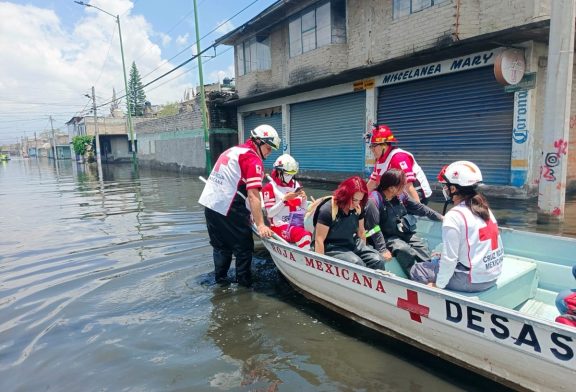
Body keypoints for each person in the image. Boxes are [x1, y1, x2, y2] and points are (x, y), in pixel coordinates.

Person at [199, 124, 278, 287]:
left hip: (210, 203)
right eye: (268, 148)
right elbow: (253, 195)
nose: (269, 153)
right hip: (229, 206)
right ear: (258, 141)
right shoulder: (252, 158)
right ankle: (244, 287)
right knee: (244, 249)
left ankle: (220, 282)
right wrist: (261, 224)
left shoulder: (234, 151)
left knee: (221, 247)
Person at [410, 161, 504, 292]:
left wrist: (438, 285)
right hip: (492, 276)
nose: (444, 189)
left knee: (418, 269)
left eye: (445, 186)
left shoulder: (454, 216)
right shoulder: (483, 208)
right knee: (438, 258)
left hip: (471, 280)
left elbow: (450, 259)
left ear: (453, 189)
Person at [364, 169, 442, 275]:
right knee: (404, 249)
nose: (405, 187)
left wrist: (441, 217)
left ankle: (432, 272)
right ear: (391, 188)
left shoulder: (401, 195)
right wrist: (382, 249)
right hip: (385, 237)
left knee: (420, 245)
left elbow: (420, 208)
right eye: (403, 185)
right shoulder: (373, 201)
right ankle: (415, 276)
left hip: (401, 232)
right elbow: (374, 228)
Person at [314, 176, 383, 269]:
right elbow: (319, 240)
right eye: (354, 200)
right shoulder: (327, 209)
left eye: (360, 200)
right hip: (332, 246)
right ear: (345, 195)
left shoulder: (358, 207)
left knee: (377, 259)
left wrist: (364, 249)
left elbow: (361, 232)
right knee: (357, 263)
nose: (356, 203)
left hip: (352, 242)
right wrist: (320, 266)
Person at [365, 124, 432, 203]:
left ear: (384, 145)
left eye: (374, 146)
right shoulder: (380, 159)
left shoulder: (398, 157)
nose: (371, 149)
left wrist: (419, 209)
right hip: (398, 192)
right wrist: (361, 197)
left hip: (417, 194)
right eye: (370, 146)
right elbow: (373, 182)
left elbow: (408, 186)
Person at [262, 154, 312, 249]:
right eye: (287, 174)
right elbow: (270, 214)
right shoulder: (270, 187)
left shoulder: (296, 184)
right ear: (278, 171)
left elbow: (302, 211)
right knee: (304, 235)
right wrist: (284, 200)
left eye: (292, 174)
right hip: (280, 226)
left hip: (297, 223)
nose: (290, 177)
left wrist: (304, 200)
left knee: (313, 232)